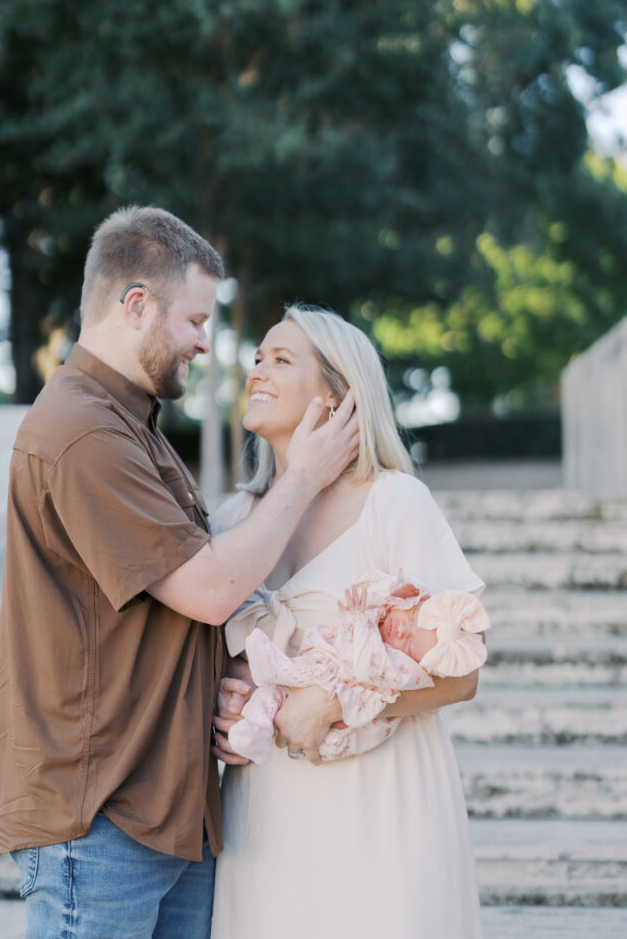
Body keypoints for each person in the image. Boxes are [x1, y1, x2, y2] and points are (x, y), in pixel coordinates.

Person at [0, 209, 358, 939]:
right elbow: (208, 591)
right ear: (136, 305)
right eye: (193, 319)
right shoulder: (83, 431)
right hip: (100, 822)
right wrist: (304, 476)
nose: (204, 342)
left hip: (164, 812)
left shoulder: (127, 423)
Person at [210, 304, 486, 939]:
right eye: (256, 357)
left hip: (381, 808)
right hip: (266, 819)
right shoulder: (231, 522)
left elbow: (463, 675)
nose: (257, 370)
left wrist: (332, 702)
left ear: (337, 395)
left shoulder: (393, 502)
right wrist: (225, 702)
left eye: (282, 359)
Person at [228, 569, 490, 764]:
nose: (400, 631)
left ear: (422, 665)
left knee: (302, 680)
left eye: (410, 645)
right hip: (309, 708)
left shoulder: (402, 670)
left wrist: (360, 618)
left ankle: (276, 669)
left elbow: (364, 665)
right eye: (410, 617)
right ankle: (257, 731)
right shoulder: (392, 621)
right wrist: (396, 592)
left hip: (337, 735)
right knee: (273, 696)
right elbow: (369, 589)